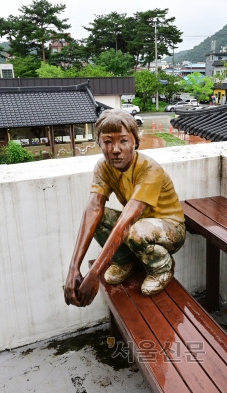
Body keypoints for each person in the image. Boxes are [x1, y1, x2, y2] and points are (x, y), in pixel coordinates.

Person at [64, 109, 186, 307]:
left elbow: (128, 219)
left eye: (123, 141)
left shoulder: (149, 168)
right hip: (138, 225)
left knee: (136, 231)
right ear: (100, 144)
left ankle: (162, 268)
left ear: (135, 142)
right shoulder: (103, 167)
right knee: (97, 218)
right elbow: (93, 209)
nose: (115, 149)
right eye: (107, 141)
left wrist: (96, 273)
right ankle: (125, 260)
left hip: (170, 229)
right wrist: (73, 268)